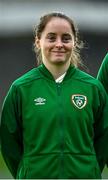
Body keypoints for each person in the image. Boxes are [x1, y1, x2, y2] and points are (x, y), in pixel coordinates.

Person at [0, 12, 108, 179]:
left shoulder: (93, 88)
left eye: (66, 38)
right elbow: (9, 144)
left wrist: (88, 169)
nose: (59, 44)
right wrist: (29, 170)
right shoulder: (21, 88)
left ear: (75, 42)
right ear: (38, 41)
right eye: (51, 38)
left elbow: (103, 141)